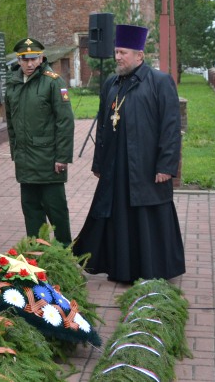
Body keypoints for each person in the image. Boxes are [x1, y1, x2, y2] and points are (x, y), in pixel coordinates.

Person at [73, 24, 185, 283]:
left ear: (139, 55)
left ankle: (152, 270)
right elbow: (103, 124)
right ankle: (121, 269)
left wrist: (166, 166)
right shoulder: (112, 83)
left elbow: (170, 127)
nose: (118, 57)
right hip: (116, 167)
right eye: (116, 52)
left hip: (146, 166)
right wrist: (98, 162)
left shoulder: (159, 82)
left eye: (123, 52)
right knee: (117, 217)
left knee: (147, 217)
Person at [4, 38, 75, 245]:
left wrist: (62, 157)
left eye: (33, 59)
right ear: (19, 60)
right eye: (24, 60)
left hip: (49, 162)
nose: (29, 64)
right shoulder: (13, 83)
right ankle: (37, 257)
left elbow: (65, 122)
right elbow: (11, 123)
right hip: (25, 162)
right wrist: (15, 152)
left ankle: (64, 257)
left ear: (42, 57)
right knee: (32, 213)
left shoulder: (53, 82)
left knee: (57, 213)